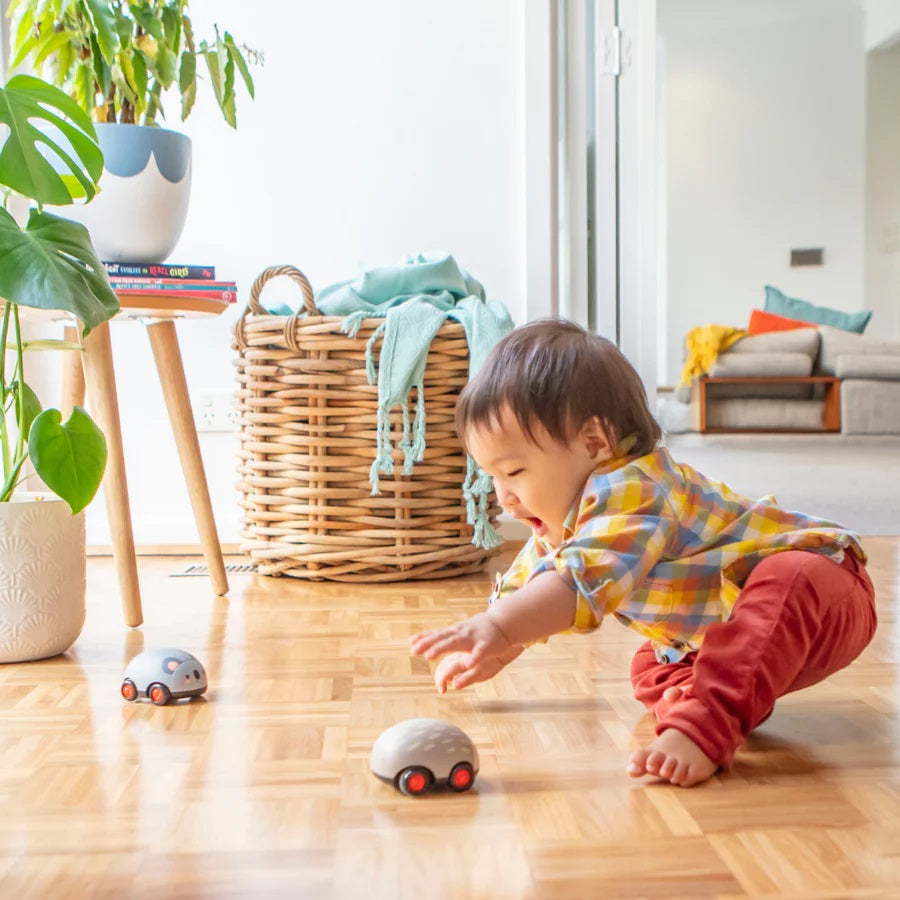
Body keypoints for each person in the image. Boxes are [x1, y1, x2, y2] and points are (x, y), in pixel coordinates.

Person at [408, 319, 877, 787]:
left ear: (594, 443)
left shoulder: (635, 489)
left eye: (513, 471)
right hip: (740, 634)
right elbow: (533, 585)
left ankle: (706, 725)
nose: (503, 497)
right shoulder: (565, 526)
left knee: (788, 577)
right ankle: (704, 697)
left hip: (827, 590)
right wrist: (499, 648)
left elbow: (575, 584)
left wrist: (498, 627)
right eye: (491, 476)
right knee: (651, 666)